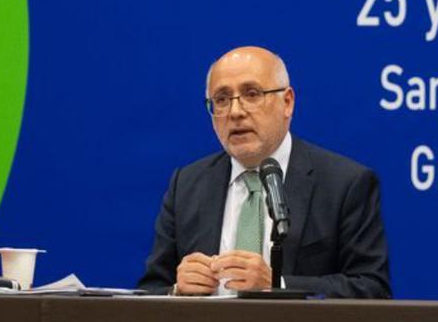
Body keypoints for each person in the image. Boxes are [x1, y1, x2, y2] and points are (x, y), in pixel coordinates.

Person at [139, 46, 390, 298]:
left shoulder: (344, 184)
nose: (235, 112)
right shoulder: (187, 184)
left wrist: (277, 284)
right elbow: (148, 292)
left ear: (287, 102)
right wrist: (176, 290)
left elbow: (372, 289)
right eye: (222, 99)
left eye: (252, 94)